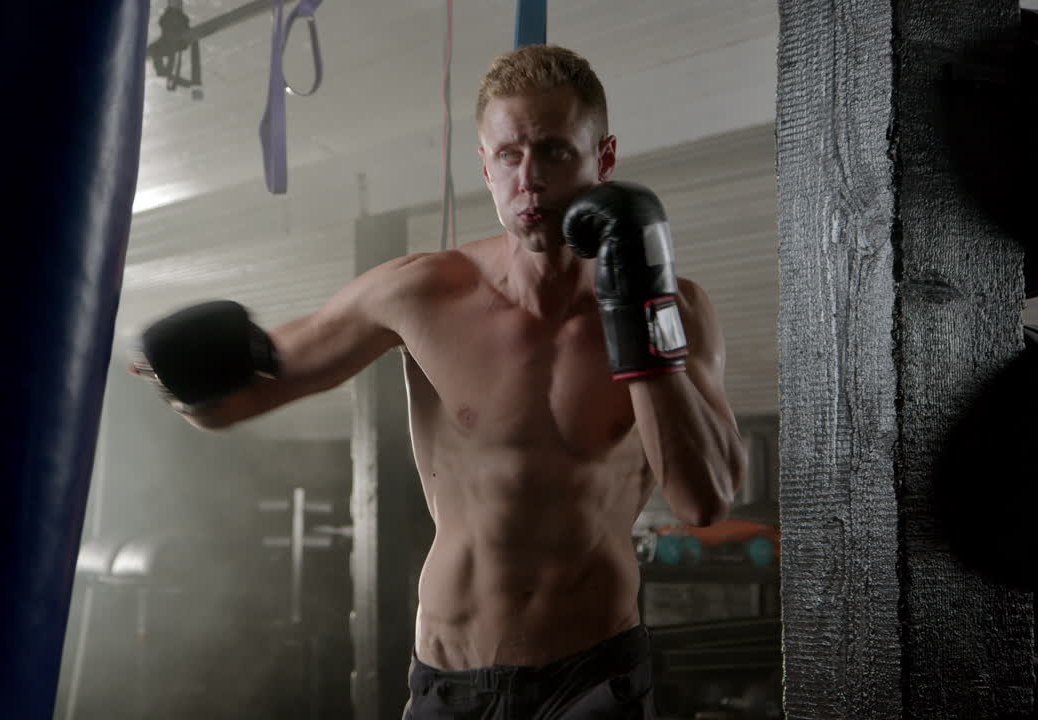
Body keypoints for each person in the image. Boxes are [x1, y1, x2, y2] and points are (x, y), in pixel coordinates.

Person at [131, 44, 745, 720]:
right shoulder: (423, 294)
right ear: (485, 168)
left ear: (603, 157)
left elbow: (705, 500)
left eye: (554, 151)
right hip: (451, 683)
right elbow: (232, 402)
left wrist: (639, 308)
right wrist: (185, 378)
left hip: (594, 680)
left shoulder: (677, 309)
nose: (530, 181)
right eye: (509, 156)